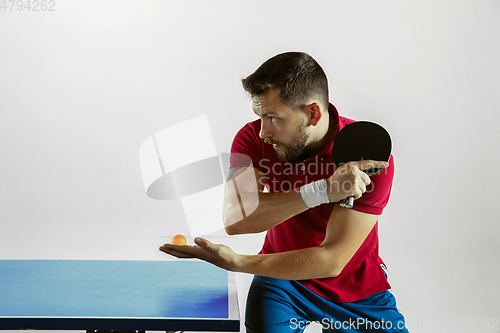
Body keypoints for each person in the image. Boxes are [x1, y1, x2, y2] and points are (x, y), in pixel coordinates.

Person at [159, 52, 409, 333]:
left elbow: (333, 260)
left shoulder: (369, 158)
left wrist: (239, 262)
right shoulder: (251, 138)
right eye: (259, 116)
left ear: (312, 113)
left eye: (273, 118)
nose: (263, 131)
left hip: (355, 290)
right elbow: (235, 218)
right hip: (281, 279)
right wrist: (323, 190)